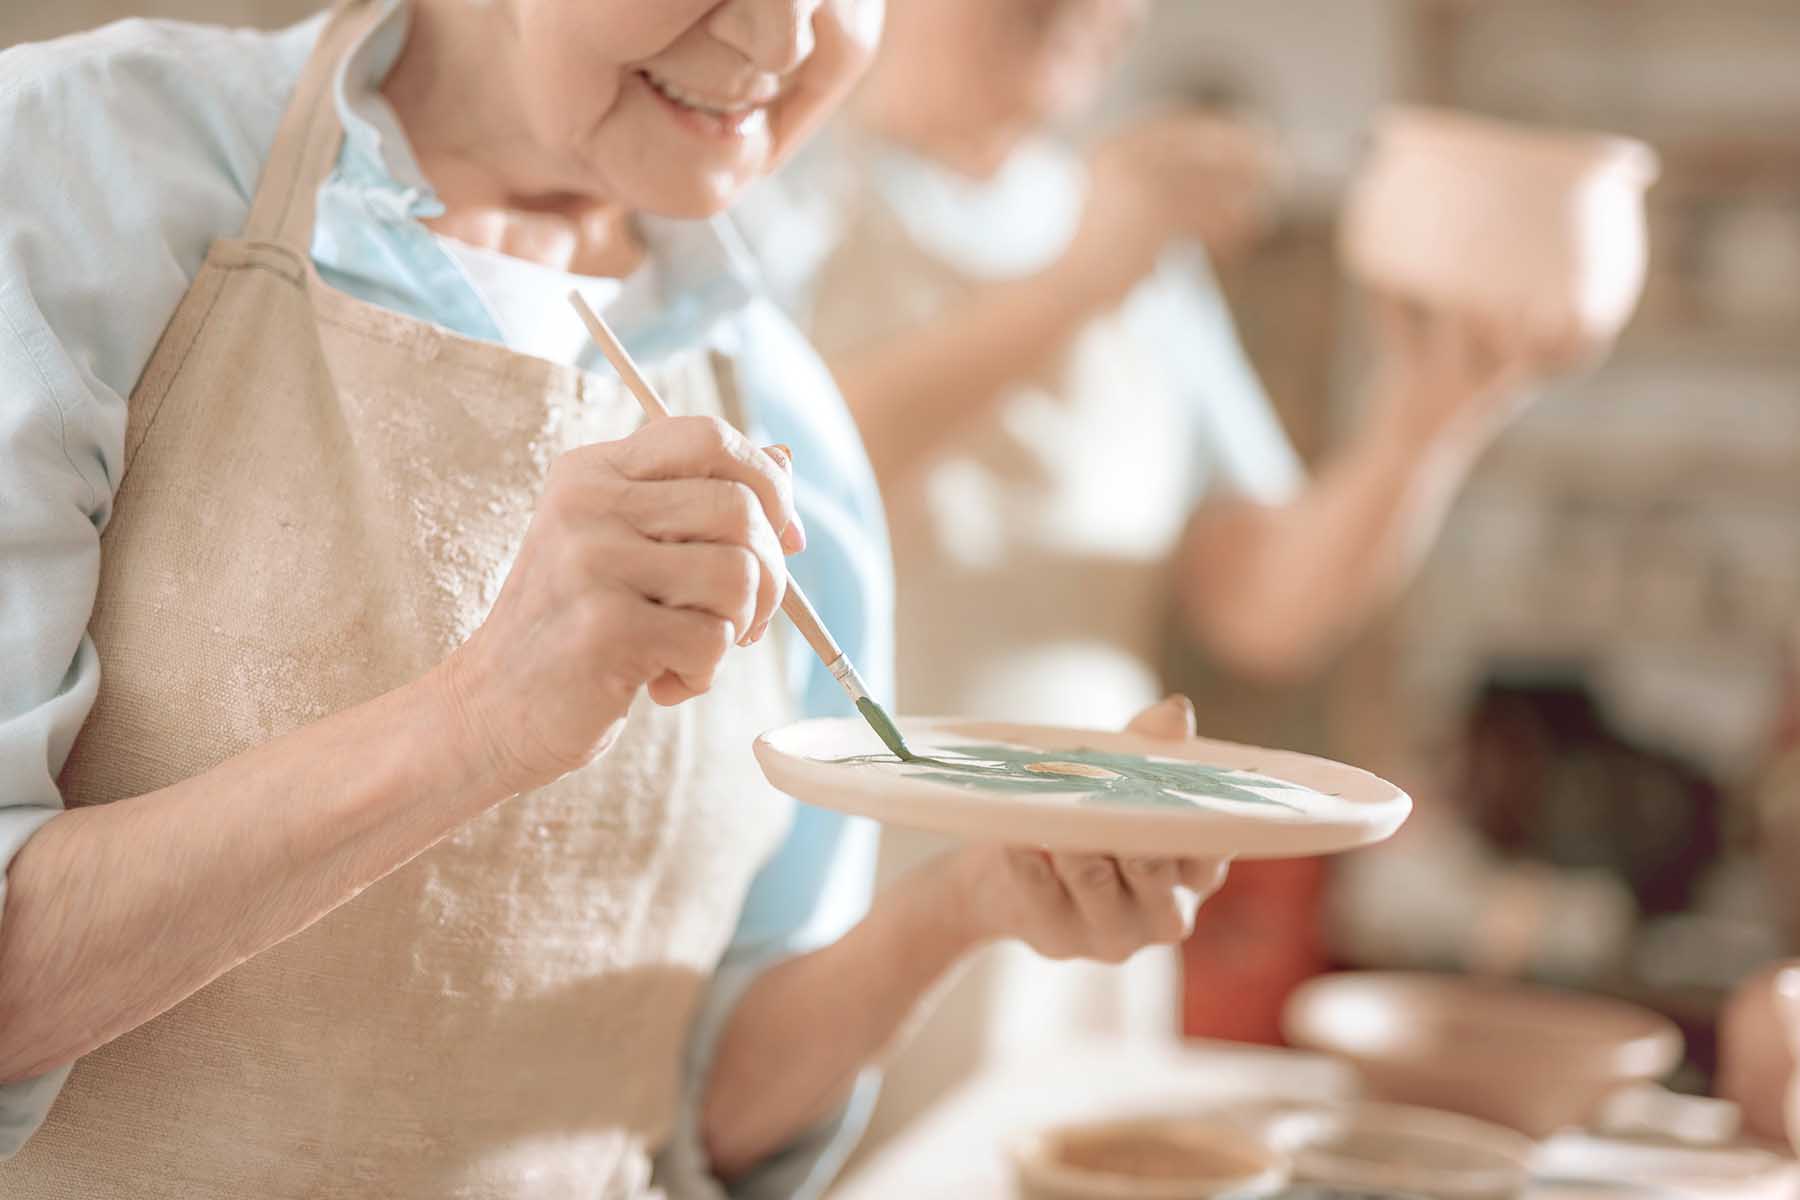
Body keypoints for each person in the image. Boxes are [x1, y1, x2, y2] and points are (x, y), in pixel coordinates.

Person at [0, 1, 1229, 1194]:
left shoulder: (787, 415)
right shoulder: (69, 170)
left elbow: (690, 1105)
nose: (786, 39)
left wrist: (968, 904)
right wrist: (475, 723)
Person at [744, 0, 1561, 1135]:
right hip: (837, 876)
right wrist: (1078, 282)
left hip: (1088, 879)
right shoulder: (776, 178)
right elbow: (781, 476)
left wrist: (1429, 420)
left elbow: (1264, 606)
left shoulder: (1141, 250)